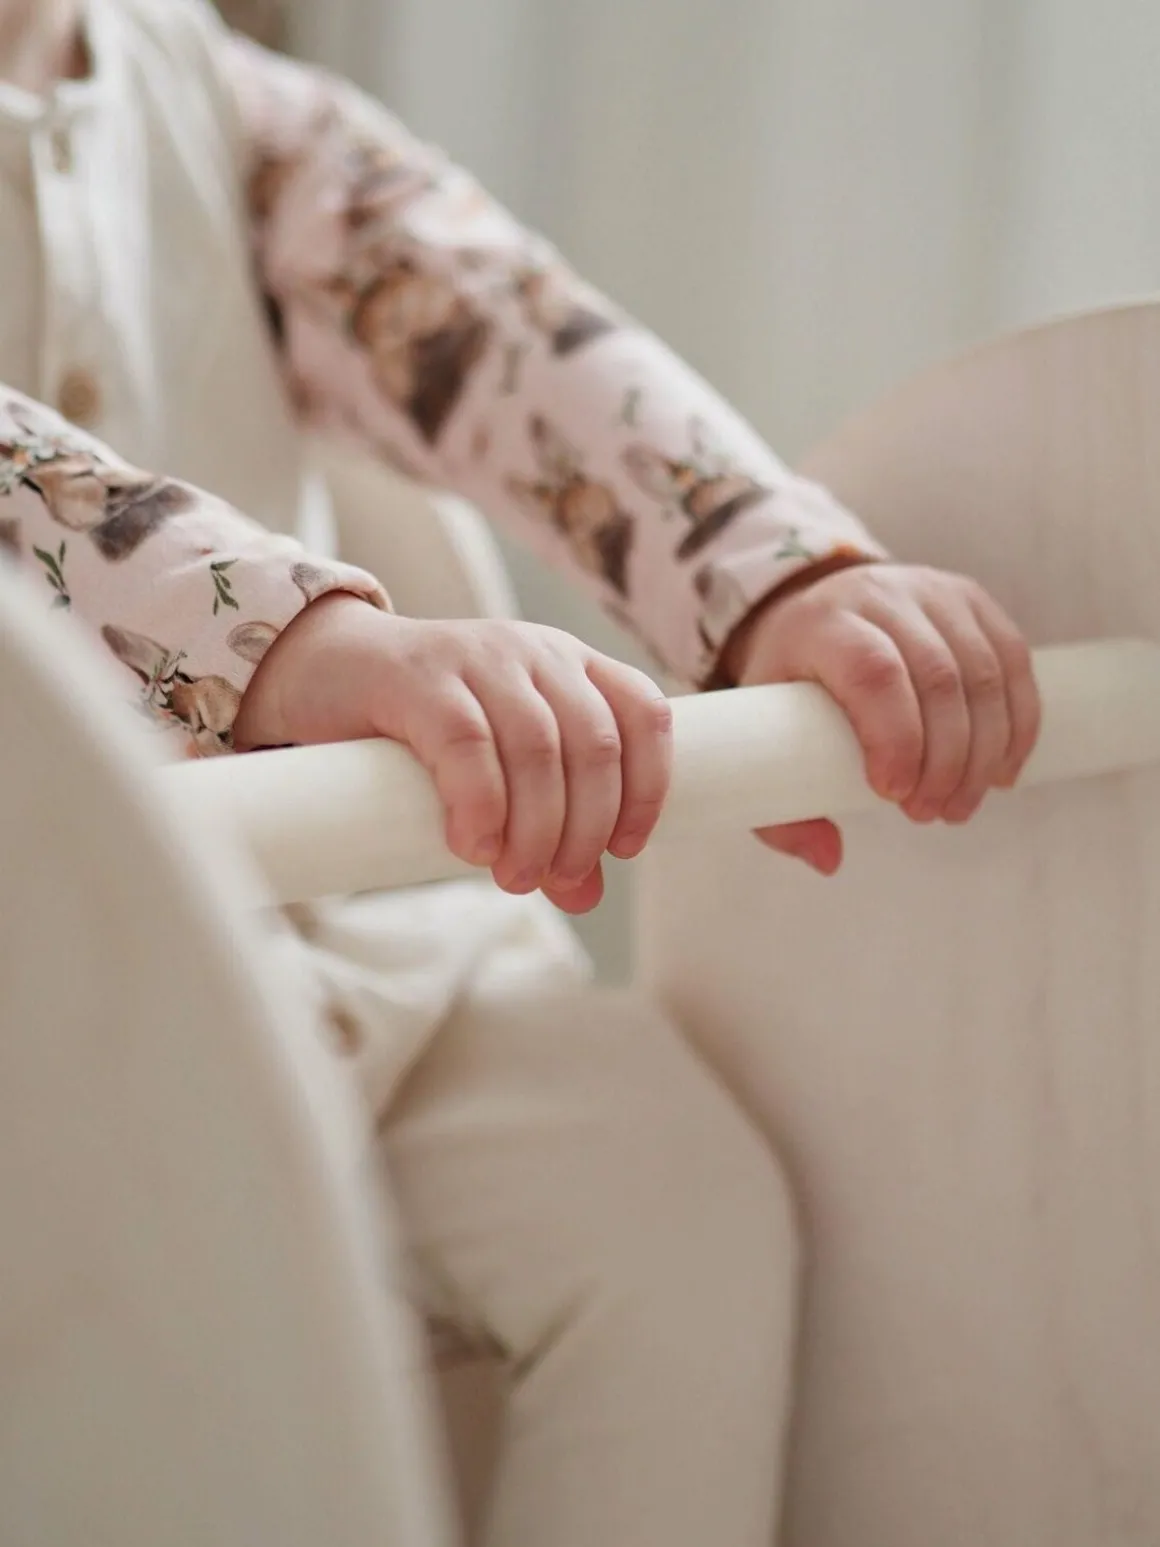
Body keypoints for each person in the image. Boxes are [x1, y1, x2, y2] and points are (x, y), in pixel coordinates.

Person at [0, 2, 1040, 1542]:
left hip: (329, 950)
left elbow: (491, 321)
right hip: (38, 1036)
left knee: (668, 1202)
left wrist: (770, 577)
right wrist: (306, 646)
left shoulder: (197, 86)